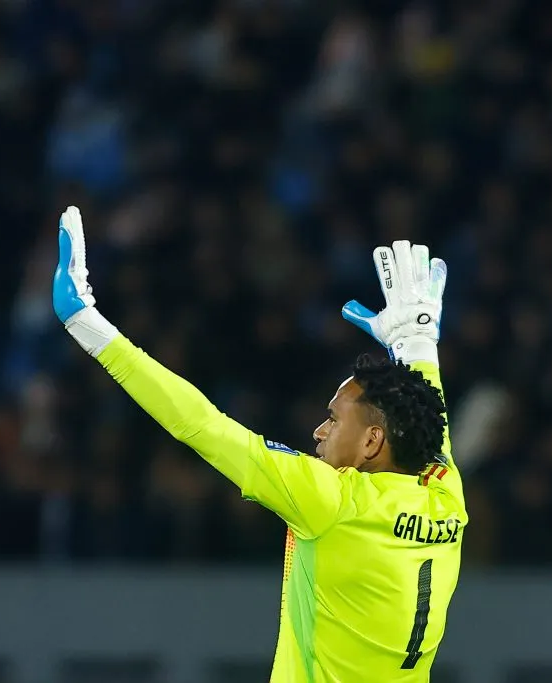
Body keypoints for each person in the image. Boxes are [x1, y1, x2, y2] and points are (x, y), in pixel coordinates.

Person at [52, 206, 466, 682]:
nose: (319, 431)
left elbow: (201, 425)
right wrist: (416, 340)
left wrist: (85, 322)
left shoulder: (332, 501)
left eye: (333, 419)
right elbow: (431, 422)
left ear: (373, 441)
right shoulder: (444, 494)